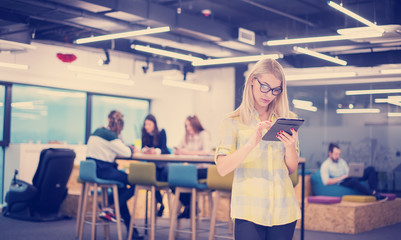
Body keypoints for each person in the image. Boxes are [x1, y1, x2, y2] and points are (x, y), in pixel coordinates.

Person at [215, 58, 300, 240]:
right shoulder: (232, 121)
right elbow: (222, 168)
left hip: (283, 209)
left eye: (275, 90)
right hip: (249, 209)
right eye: (265, 86)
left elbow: (292, 168)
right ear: (253, 80)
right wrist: (250, 144)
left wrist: (290, 147)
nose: (268, 94)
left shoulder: (287, 119)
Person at [86, 110, 144, 240]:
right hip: (104, 171)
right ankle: (110, 207)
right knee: (137, 181)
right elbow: (127, 153)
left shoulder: (97, 131)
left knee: (121, 190)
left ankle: (132, 231)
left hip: (93, 170)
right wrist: (130, 148)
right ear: (119, 126)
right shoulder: (110, 136)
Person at [174, 115, 212, 219]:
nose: (188, 128)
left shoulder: (204, 134)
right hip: (191, 170)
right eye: (186, 126)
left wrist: (186, 153)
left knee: (179, 178)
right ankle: (190, 206)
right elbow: (178, 148)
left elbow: (206, 152)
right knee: (172, 179)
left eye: (190, 126)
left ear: (195, 125)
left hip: (204, 169)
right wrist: (178, 151)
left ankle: (190, 208)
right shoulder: (187, 136)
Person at [320, 143, 386, 200]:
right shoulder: (325, 165)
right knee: (353, 181)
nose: (338, 156)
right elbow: (326, 182)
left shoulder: (342, 161)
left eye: (339, 154)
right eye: (336, 154)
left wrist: (354, 172)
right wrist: (342, 177)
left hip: (348, 177)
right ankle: (373, 194)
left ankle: (374, 191)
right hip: (342, 182)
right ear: (330, 153)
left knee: (371, 169)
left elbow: (348, 172)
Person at [141, 114, 170, 217]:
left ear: (154, 124)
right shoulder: (144, 133)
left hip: (160, 165)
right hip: (151, 166)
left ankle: (161, 203)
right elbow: (142, 147)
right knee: (151, 179)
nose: (146, 126)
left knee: (155, 178)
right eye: (145, 124)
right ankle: (161, 203)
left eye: (149, 124)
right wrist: (145, 150)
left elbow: (164, 150)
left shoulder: (161, 132)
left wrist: (155, 151)